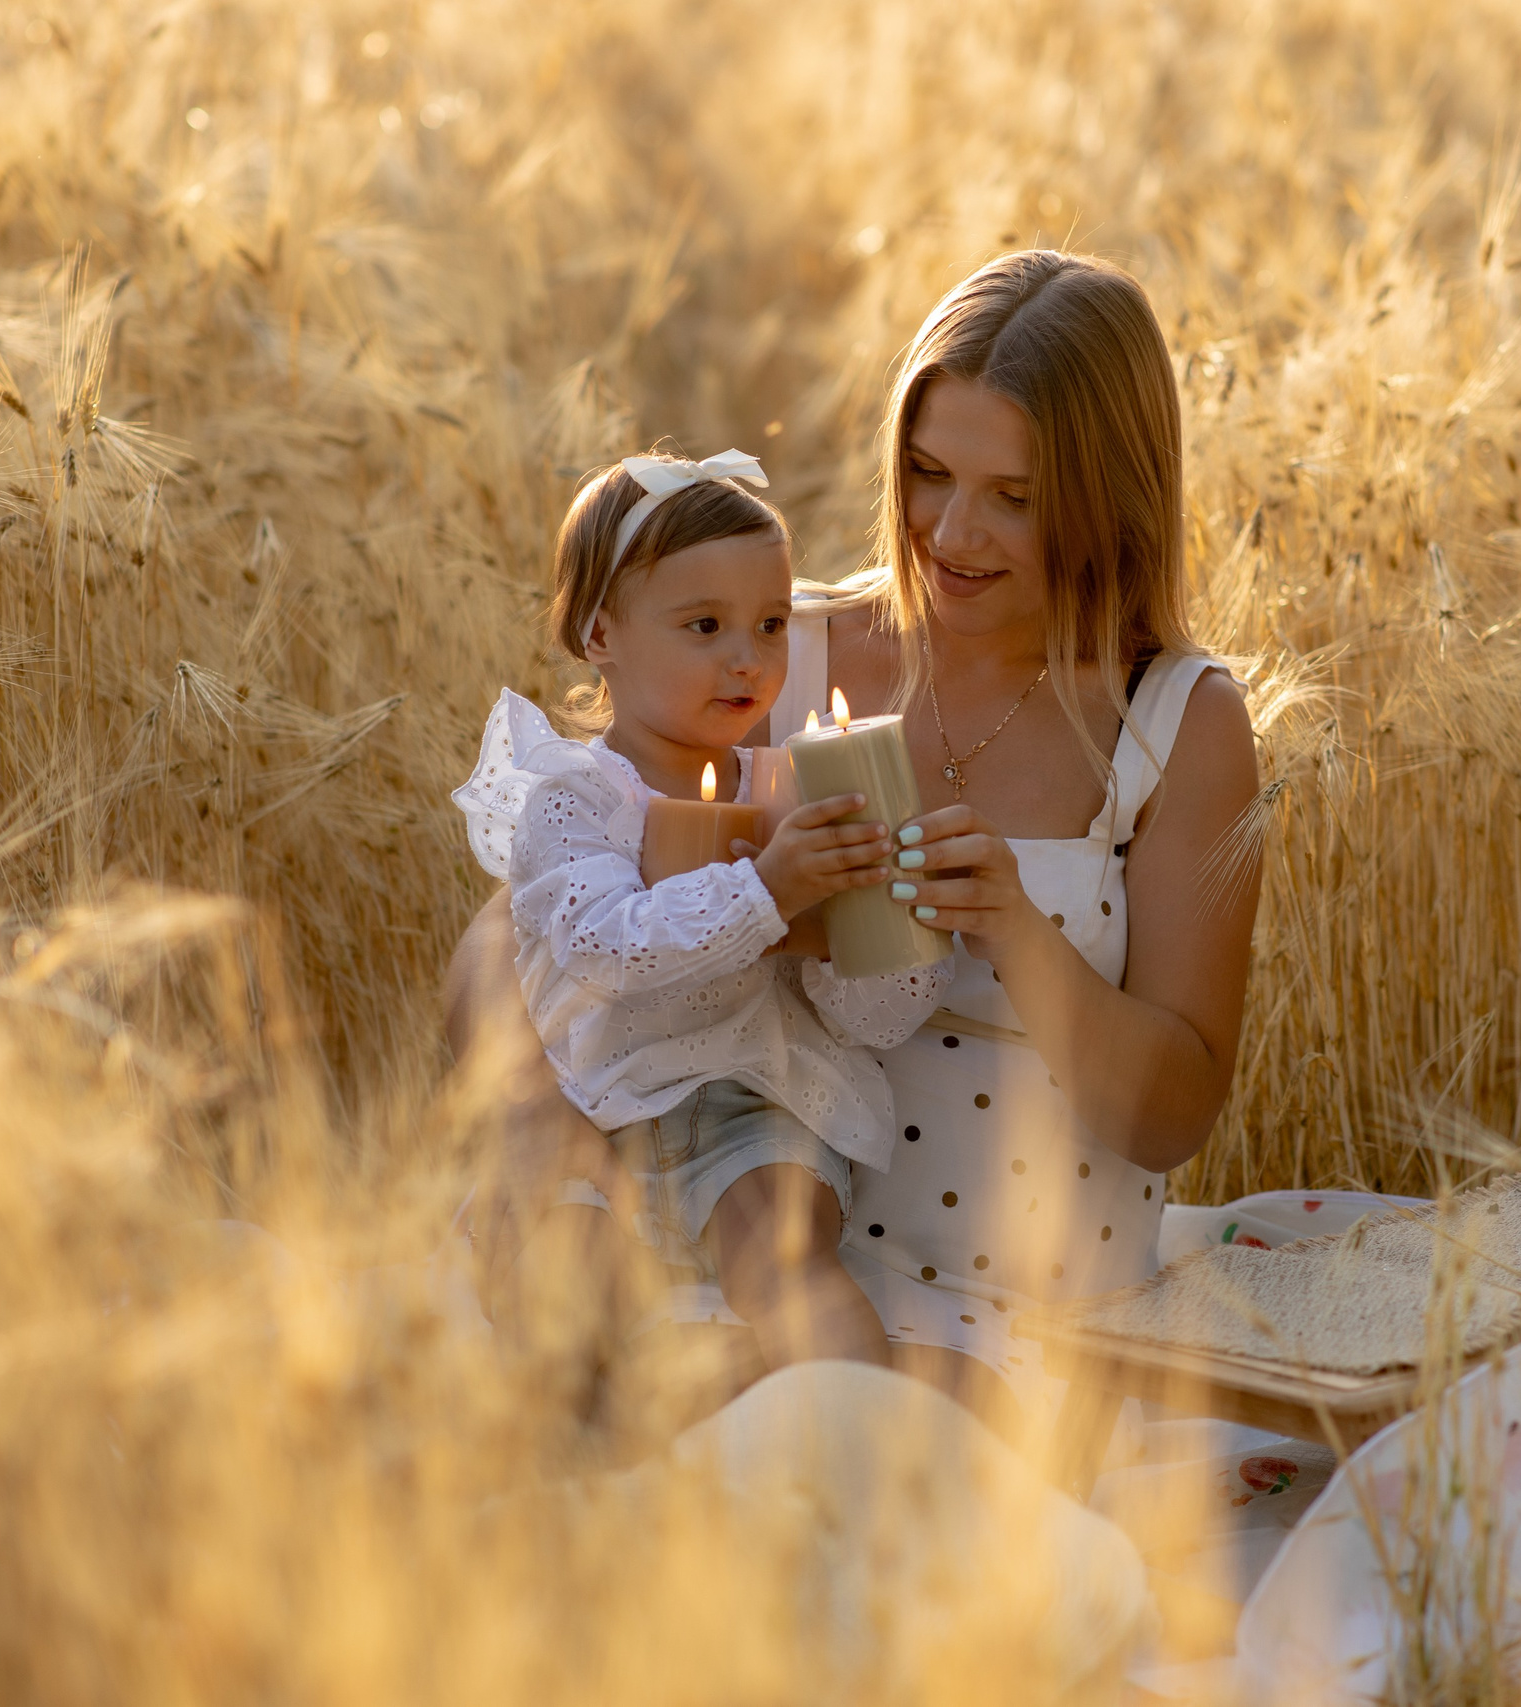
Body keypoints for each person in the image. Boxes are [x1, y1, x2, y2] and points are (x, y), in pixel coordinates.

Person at [451, 251, 1262, 1432]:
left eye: (1015, 496)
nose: (953, 531)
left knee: (841, 1459)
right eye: (928, 473)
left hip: (1021, 1295)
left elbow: (1173, 1113)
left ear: (1109, 494)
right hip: (746, 1237)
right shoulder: (783, 653)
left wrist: (1013, 930)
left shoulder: (1179, 722)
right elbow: (535, 900)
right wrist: (536, 1132)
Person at [448, 450, 946, 1374]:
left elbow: (880, 1018)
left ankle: (864, 1431)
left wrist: (874, 914)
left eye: (770, 624)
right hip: (587, 1104)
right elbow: (604, 947)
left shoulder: (799, 790)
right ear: (602, 634)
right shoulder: (571, 797)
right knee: (559, 1279)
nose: (748, 658)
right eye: (705, 624)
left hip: (748, 1105)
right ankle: (596, 1460)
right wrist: (768, 892)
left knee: (788, 1260)